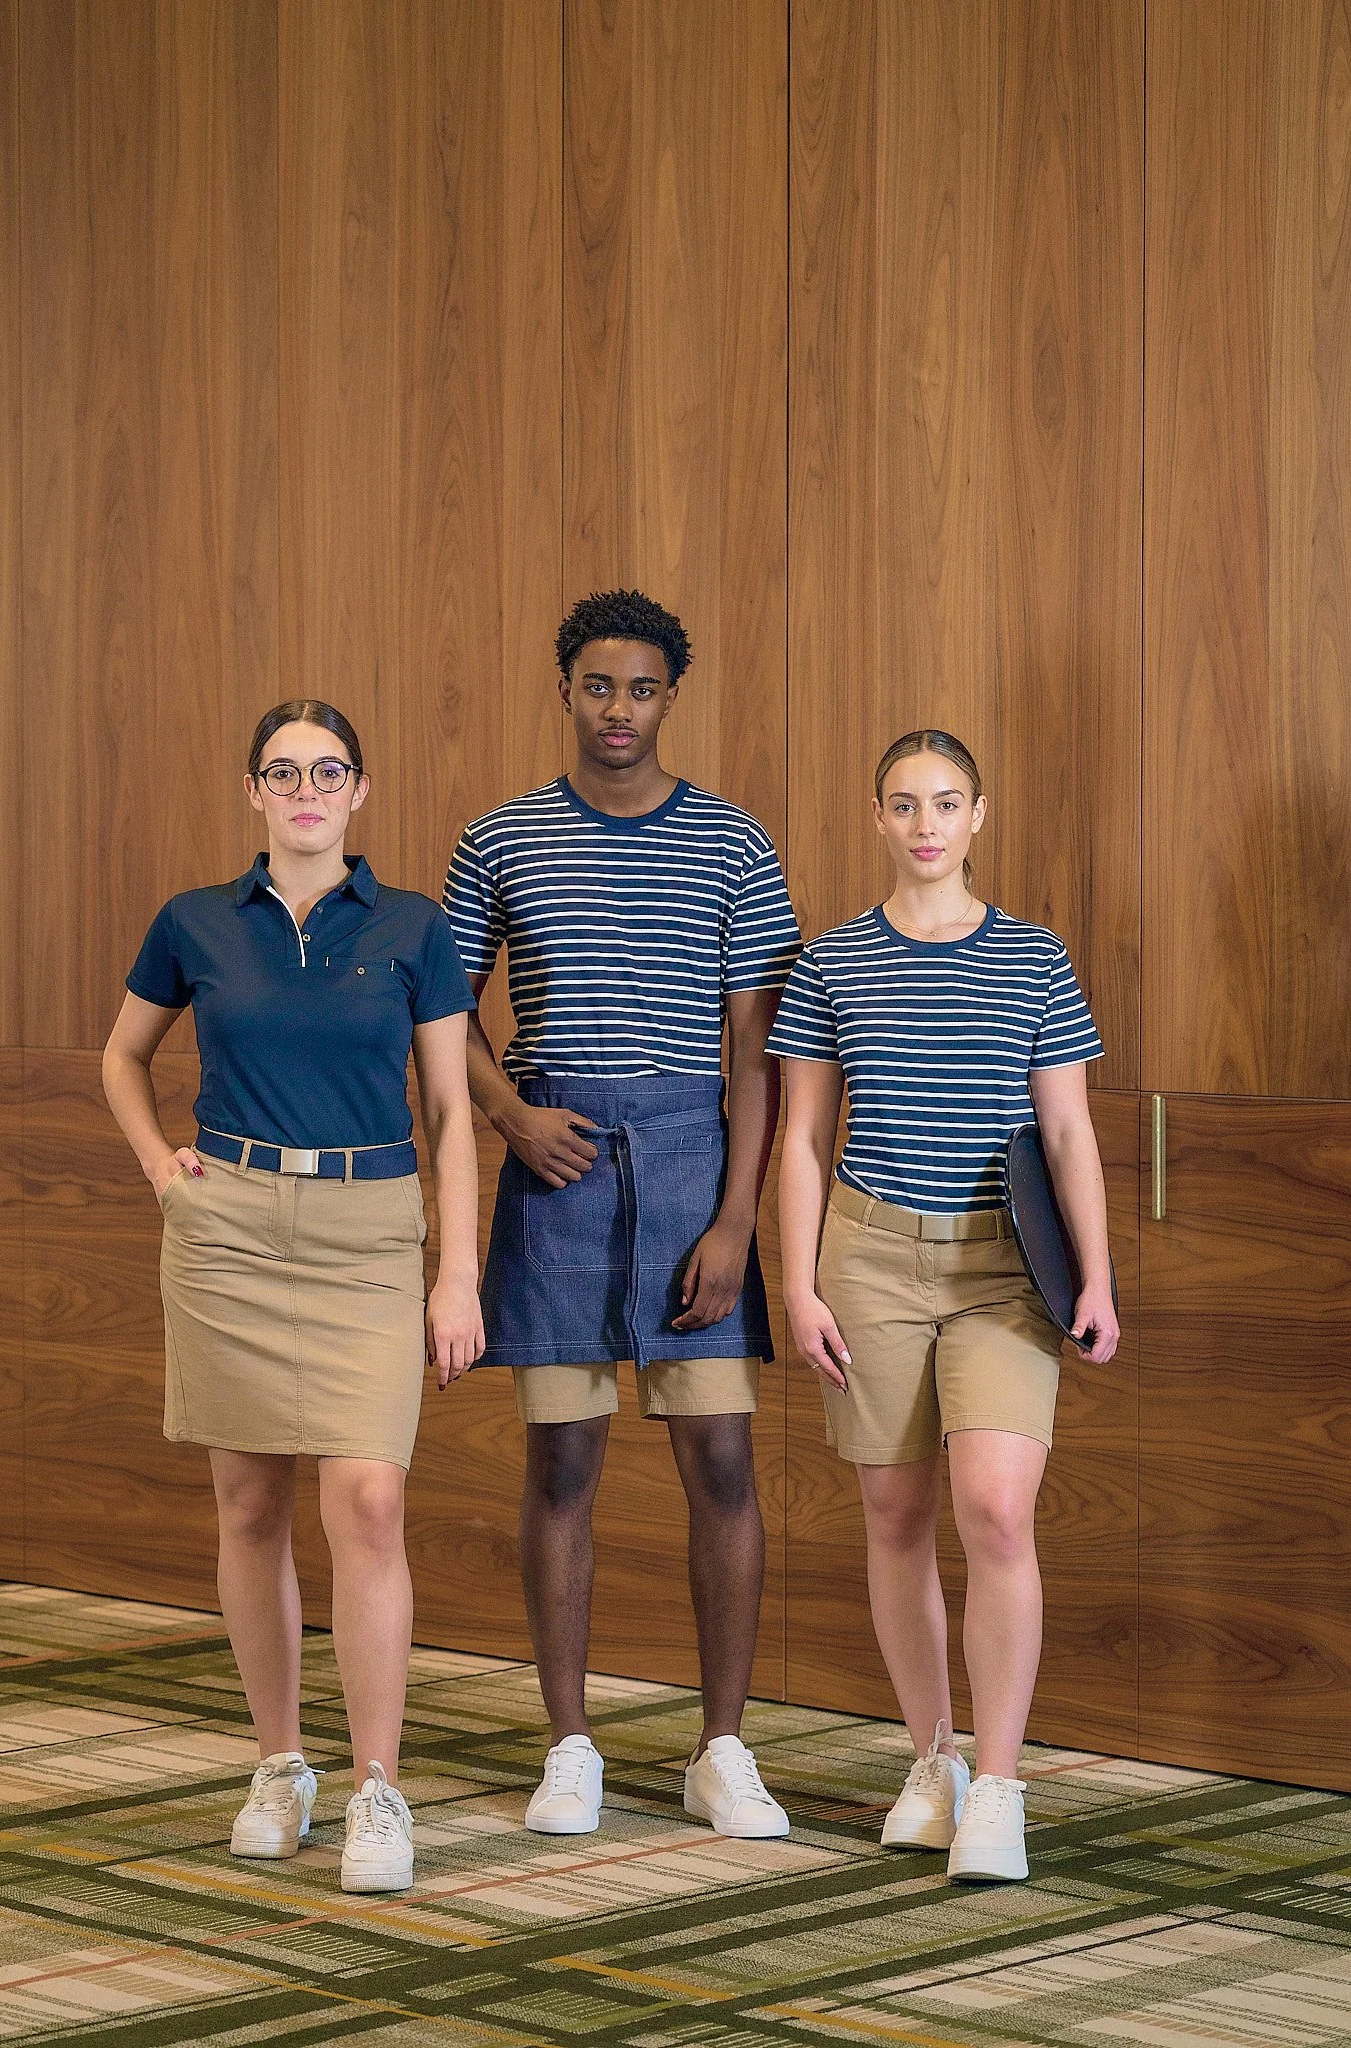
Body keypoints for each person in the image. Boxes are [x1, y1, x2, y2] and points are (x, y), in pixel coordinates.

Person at [102, 700, 483, 1894]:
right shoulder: (195, 920)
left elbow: (451, 1112)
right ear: (254, 790)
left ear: (359, 789)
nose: (305, 791)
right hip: (229, 1230)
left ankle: (377, 1785)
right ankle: (280, 1765)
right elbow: (123, 1055)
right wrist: (161, 1167)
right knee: (250, 1500)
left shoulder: (413, 926)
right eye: (283, 771)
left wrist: (458, 1271)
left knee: (367, 1499)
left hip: (370, 1228)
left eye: (328, 772)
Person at [443, 589, 801, 1840]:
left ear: (669, 698)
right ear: (566, 689)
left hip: (696, 1162)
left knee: (722, 1460)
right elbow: (441, 1012)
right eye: (599, 685)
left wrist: (736, 1218)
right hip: (557, 1164)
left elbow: (757, 1054)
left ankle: (722, 1748)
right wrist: (509, 1114)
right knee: (562, 1461)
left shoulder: (735, 843)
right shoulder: (498, 837)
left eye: (642, 688)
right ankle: (570, 1744)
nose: (619, 709)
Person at [770, 728, 1118, 1883]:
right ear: (879, 816)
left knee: (997, 1510)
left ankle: (1001, 1785)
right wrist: (798, 1279)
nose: (927, 823)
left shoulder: (1034, 957)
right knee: (894, 1513)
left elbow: (1067, 1130)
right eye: (906, 803)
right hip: (869, 1257)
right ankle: (935, 1759)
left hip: (1005, 1268)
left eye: (948, 801)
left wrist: (1097, 1274)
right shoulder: (831, 963)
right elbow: (803, 1136)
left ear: (979, 815)